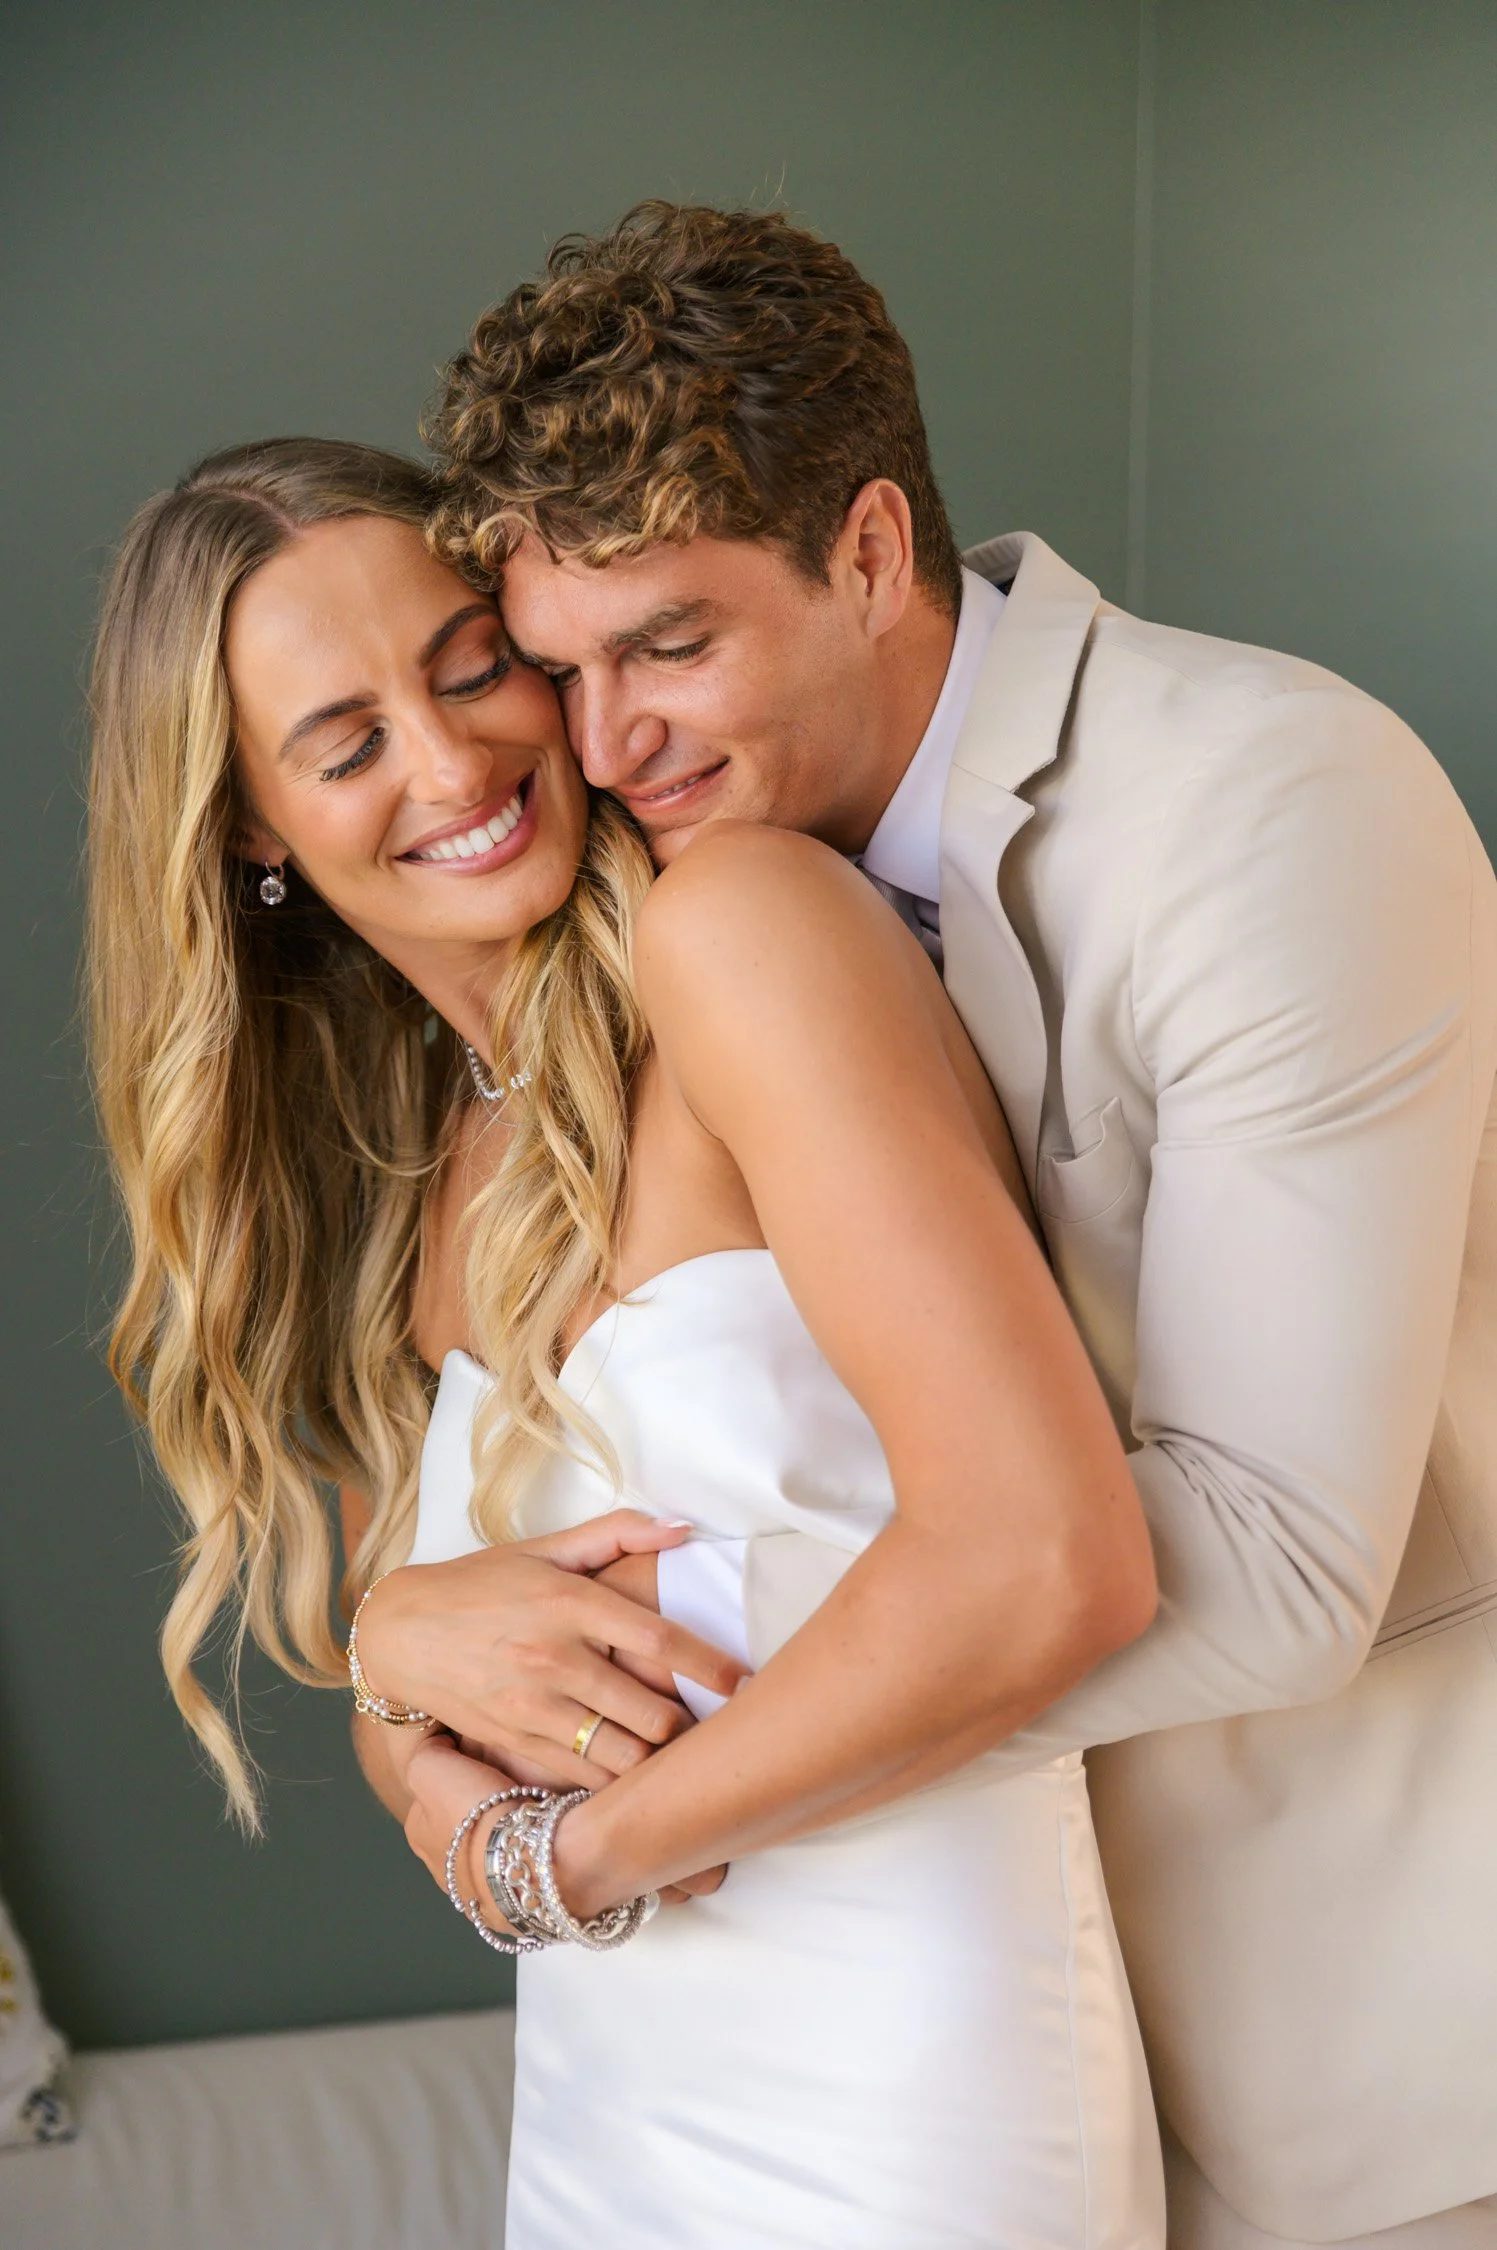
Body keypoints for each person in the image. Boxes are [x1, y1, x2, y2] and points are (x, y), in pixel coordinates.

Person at [364, 203, 1497, 2249]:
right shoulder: (675, 908)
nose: (602, 747)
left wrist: (587, 1801)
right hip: (942, 2043)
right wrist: (412, 1652)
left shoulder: (1273, 803)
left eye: (671, 644)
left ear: (870, 550)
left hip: (1369, 2081)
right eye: (559, 667)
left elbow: (1271, 1563)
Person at [87, 436, 1166, 2248]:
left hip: (904, 2074)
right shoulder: (420, 1145)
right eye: (348, 745)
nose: (452, 766)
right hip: (611, 2095)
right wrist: (389, 1643)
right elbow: (437, 1688)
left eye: (469, 667)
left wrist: (570, 1860)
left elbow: (1049, 1561)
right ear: (253, 826)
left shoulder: (743, 933)